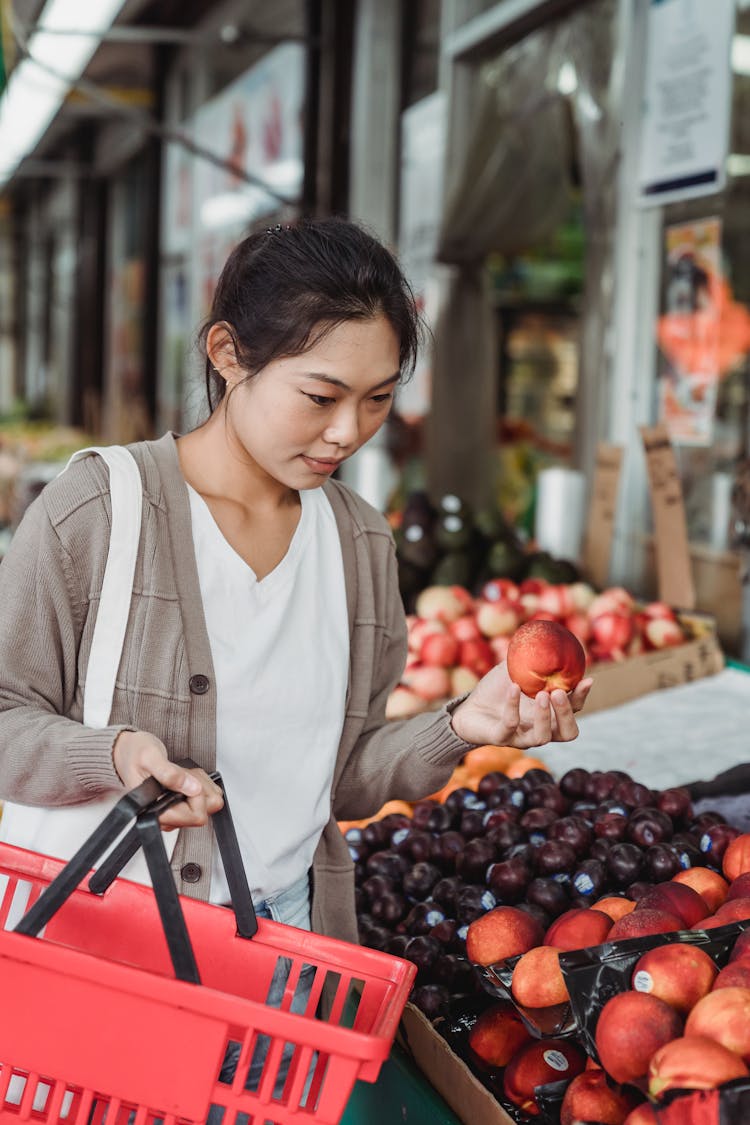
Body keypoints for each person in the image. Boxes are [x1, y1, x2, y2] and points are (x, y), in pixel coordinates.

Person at [0, 215, 590, 1110]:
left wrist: (464, 725)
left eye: (380, 398)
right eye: (320, 395)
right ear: (230, 353)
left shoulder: (357, 544)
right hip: (103, 946)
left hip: (278, 956)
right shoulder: (100, 510)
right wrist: (116, 755)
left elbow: (342, 782)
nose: (349, 430)